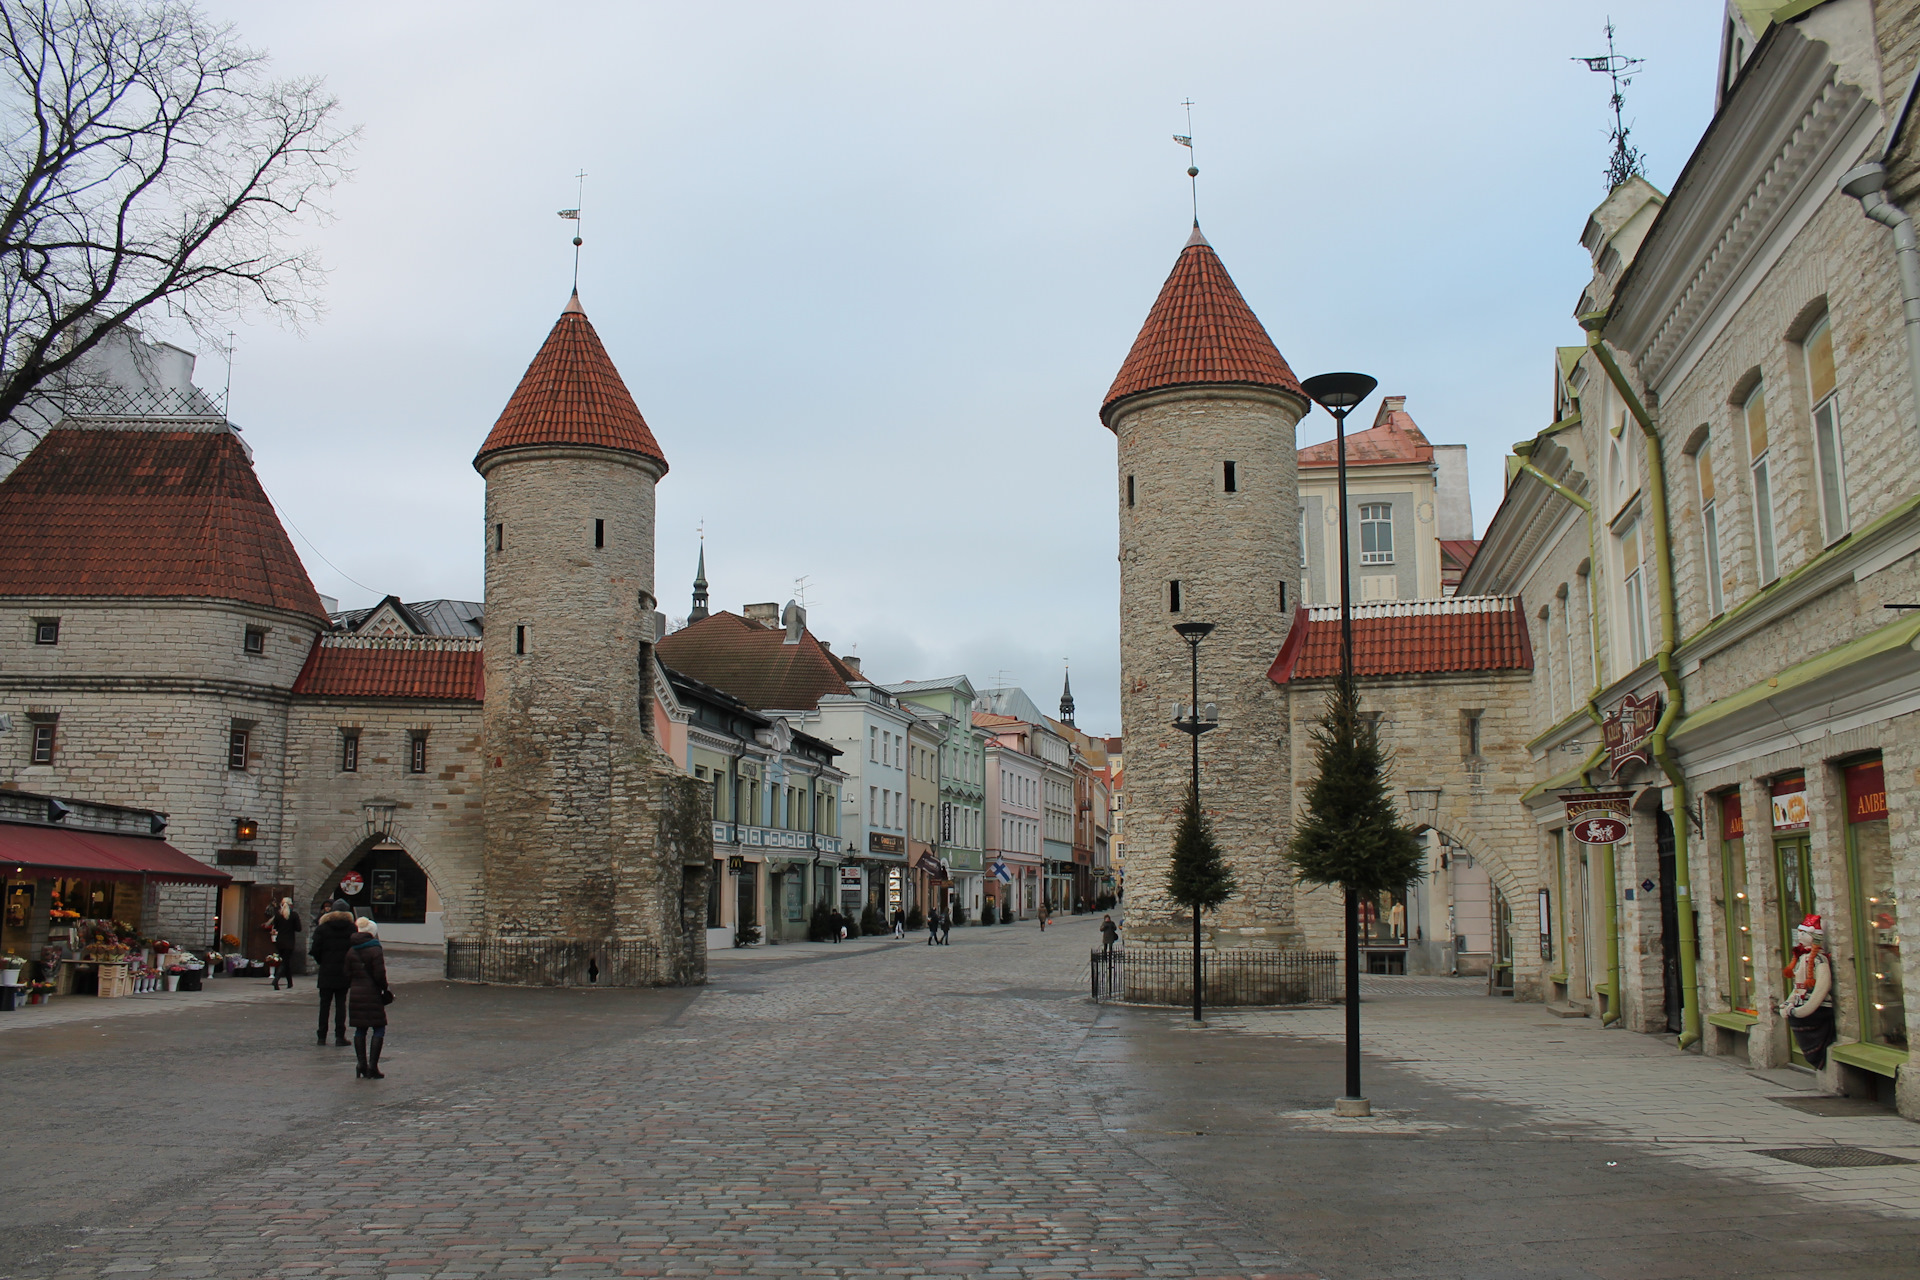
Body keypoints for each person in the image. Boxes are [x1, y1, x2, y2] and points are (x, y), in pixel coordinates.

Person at [344, 917, 393, 1079]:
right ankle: (373, 1065)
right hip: (372, 993)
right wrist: (384, 988)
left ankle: (361, 1064)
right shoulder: (375, 949)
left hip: (357, 993)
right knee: (378, 1027)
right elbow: (380, 974)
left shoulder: (352, 950)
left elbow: (347, 973)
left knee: (360, 1029)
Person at [308, 898, 356, 1046]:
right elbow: (355, 950)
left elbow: (315, 949)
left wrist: (322, 961)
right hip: (344, 971)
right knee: (341, 1004)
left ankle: (321, 1036)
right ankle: (340, 1036)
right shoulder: (351, 929)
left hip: (326, 970)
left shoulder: (323, 928)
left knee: (324, 1005)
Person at [267, 898, 302, 990]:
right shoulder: (294, 915)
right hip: (289, 941)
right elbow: (299, 928)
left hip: (280, 941)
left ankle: (289, 982)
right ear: (291, 905)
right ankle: (276, 979)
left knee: (286, 961)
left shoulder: (278, 915)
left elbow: (276, 927)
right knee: (285, 961)